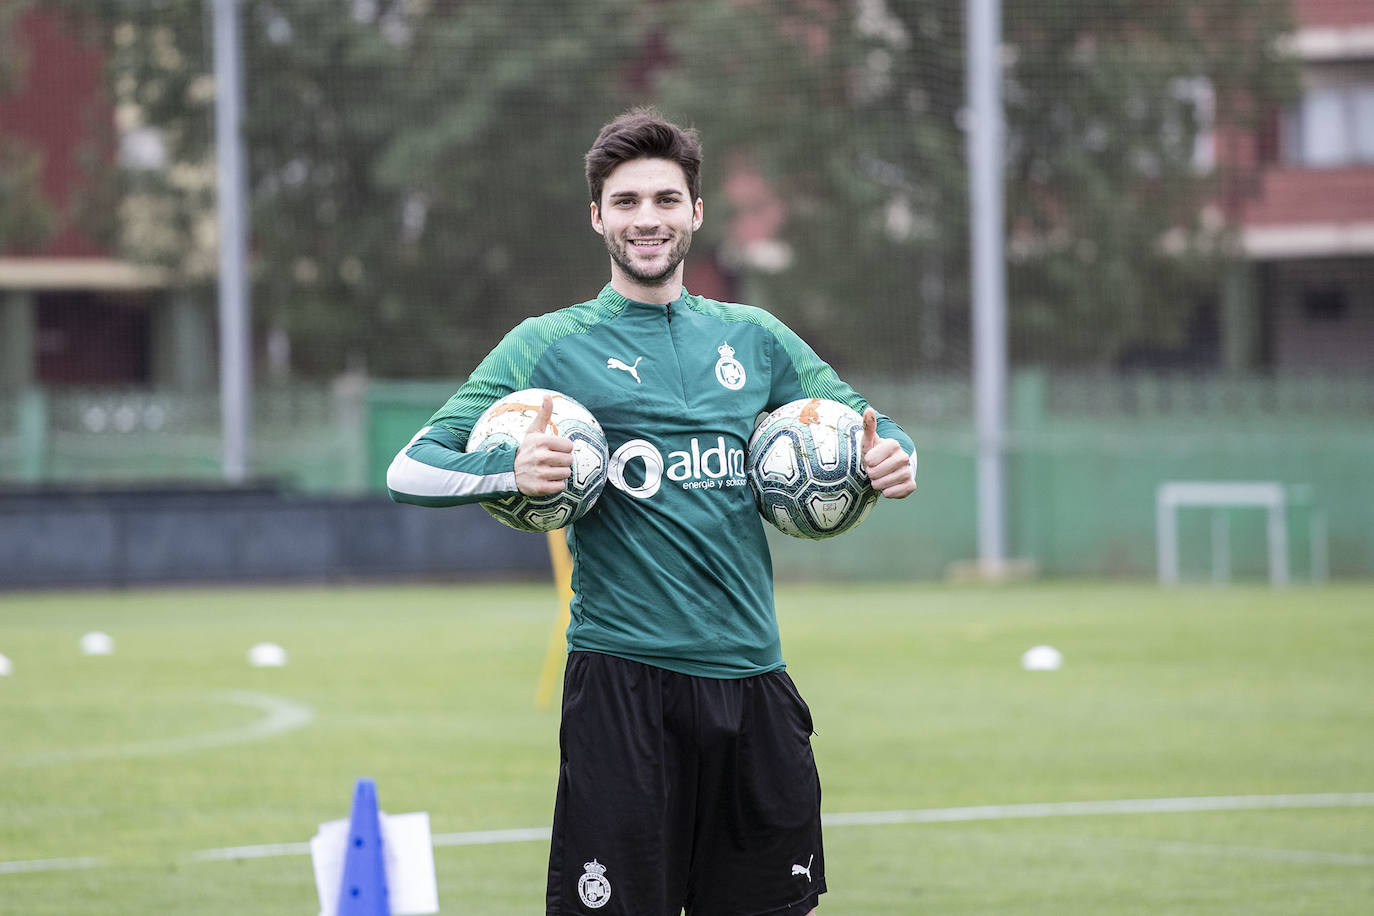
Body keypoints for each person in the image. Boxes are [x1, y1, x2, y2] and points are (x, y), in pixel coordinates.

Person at [387, 107, 916, 916]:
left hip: (754, 686)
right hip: (622, 688)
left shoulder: (756, 336)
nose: (647, 219)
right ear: (597, 215)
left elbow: (869, 428)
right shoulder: (548, 344)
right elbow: (411, 468)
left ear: (696, 214)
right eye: (627, 201)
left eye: (666, 200)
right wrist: (506, 467)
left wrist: (891, 458)